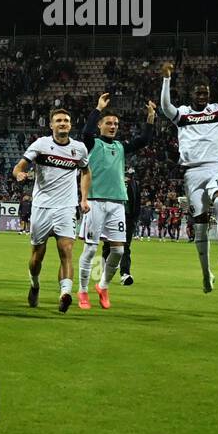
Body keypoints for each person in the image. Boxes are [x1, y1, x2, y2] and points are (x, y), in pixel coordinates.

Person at [160, 56, 218, 291]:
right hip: (191, 174)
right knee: (199, 225)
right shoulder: (183, 114)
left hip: (216, 166)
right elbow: (166, 108)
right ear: (191, 94)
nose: (202, 96)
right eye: (198, 93)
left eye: (205, 93)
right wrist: (167, 80)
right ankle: (206, 274)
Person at [76, 94, 155, 310]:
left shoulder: (120, 146)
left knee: (119, 251)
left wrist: (150, 117)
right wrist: (98, 109)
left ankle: (103, 286)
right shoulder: (92, 144)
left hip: (118, 203)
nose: (113, 126)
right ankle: (82, 291)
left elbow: (144, 141)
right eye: (108, 123)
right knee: (91, 250)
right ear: (100, 125)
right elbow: (85, 132)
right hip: (95, 201)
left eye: (116, 124)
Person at [13, 108, 90, 312]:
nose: (63, 123)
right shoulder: (41, 145)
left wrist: (84, 198)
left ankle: (65, 293)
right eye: (58, 120)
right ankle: (34, 284)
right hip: (42, 208)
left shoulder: (79, 149)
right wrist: (20, 174)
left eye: (66, 120)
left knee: (66, 251)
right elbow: (18, 167)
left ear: (71, 125)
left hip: (66, 208)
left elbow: (86, 172)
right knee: (37, 255)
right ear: (51, 125)